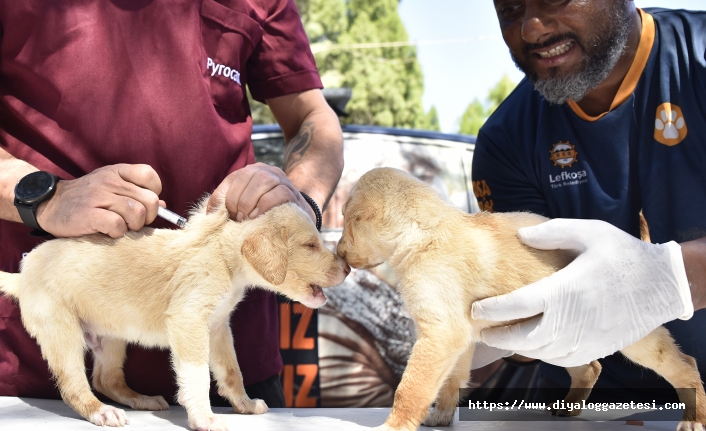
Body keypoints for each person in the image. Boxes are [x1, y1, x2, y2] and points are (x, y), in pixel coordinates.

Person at [0, 0, 343, 408]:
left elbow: (313, 118)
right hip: (36, 387)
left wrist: (298, 201)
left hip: (239, 383)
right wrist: (43, 196)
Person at [470, 0, 706, 400]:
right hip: (603, 407)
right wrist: (490, 327)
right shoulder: (506, 141)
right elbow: (531, 311)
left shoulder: (697, 55)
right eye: (510, 8)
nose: (531, 28)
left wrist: (669, 278)